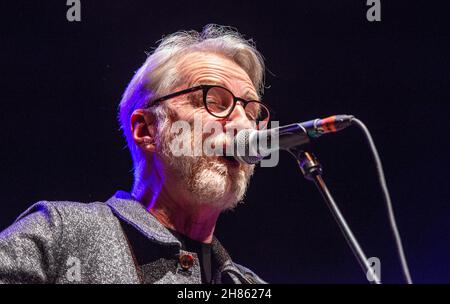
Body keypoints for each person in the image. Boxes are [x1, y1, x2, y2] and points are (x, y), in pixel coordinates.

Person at [0, 24, 270, 284]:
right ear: (146, 130)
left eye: (251, 113)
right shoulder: (59, 233)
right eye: (212, 101)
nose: (243, 125)